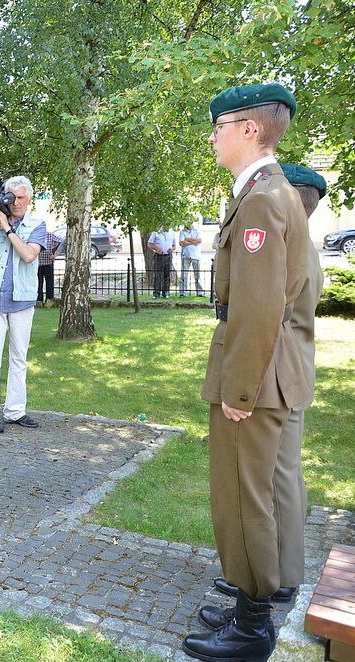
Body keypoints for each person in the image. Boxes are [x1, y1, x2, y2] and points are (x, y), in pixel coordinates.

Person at [182, 83, 308, 662]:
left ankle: (253, 627)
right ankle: (250, 607)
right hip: (263, 368)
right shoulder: (265, 192)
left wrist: (239, 389)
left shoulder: (262, 198)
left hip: (253, 375)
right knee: (250, 495)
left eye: (220, 125)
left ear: (249, 130)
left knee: (243, 498)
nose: (213, 136)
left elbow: (259, 307)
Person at [199, 164, 325, 629]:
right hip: (291, 371)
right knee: (283, 478)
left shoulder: (273, 223)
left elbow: (264, 311)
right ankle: (284, 574)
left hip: (270, 369)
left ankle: (260, 590)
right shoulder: (305, 247)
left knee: (257, 486)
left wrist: (242, 384)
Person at [0, 175, 47, 433]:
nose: (15, 203)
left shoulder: (37, 225)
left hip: (22, 300)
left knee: (19, 357)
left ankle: (15, 411)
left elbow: (28, 255)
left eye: (21, 198)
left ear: (29, 200)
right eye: (12, 197)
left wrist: (7, 228)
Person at [147, 227, 177, 298]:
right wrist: (157, 248)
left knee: (167, 275)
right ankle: (156, 293)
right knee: (158, 275)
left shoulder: (172, 231)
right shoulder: (156, 231)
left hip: (168, 256)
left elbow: (174, 245)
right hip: (159, 256)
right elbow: (149, 244)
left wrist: (172, 249)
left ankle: (166, 292)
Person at [178, 221, 205, 297]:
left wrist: (188, 239)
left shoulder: (196, 230)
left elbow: (199, 241)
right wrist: (193, 242)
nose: (189, 224)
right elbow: (181, 243)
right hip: (185, 256)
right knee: (184, 275)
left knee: (197, 275)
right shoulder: (182, 232)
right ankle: (183, 292)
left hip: (196, 256)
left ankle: (200, 292)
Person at [36, 230, 63, 302]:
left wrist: (54, 253)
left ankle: (49, 300)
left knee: (49, 283)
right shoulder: (35, 234)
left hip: (48, 262)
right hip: (37, 263)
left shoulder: (50, 235)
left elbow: (62, 241)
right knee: (38, 283)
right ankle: (39, 300)